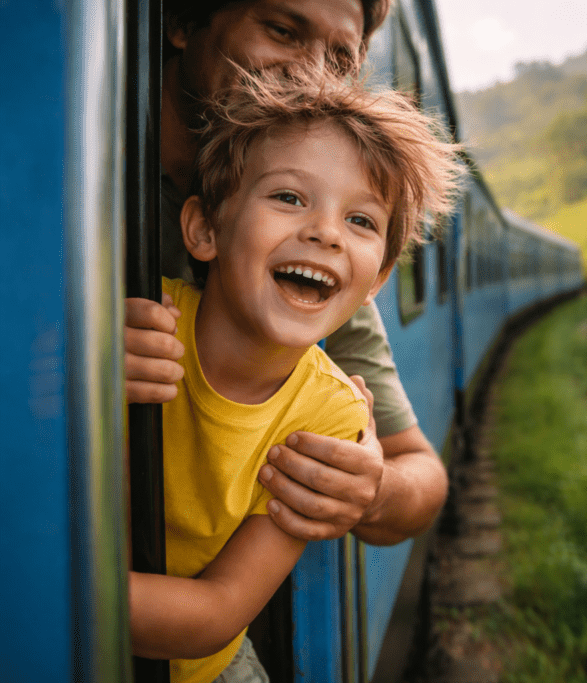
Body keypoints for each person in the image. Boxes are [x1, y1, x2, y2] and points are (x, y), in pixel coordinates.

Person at [128, 59, 462, 683]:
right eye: (288, 197)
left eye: (361, 221)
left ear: (378, 282)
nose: (325, 233)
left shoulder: (334, 415)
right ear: (204, 228)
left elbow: (218, 613)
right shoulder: (143, 322)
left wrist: (49, 594)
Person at [125, 0, 448, 547]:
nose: (311, 72)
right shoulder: (69, 161)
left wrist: (371, 488)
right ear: (180, 21)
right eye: (283, 31)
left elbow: (420, 471)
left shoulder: (308, 259)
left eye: (340, 59)